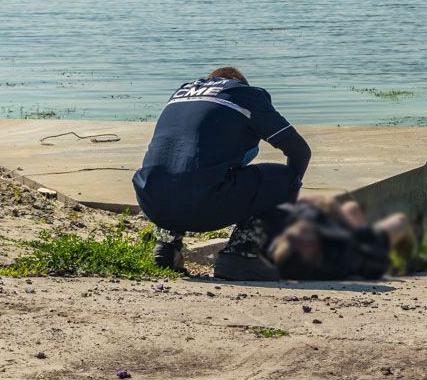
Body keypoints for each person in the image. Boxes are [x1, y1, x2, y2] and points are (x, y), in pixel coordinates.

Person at [132, 66, 311, 280]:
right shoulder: (247, 95)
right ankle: (243, 256)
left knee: (178, 170)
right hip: (203, 204)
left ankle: (167, 248)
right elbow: (300, 151)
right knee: (283, 178)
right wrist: (285, 202)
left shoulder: (180, 94)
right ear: (239, 82)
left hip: (152, 202)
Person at [267, 196, 415, 280]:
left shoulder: (285, 246)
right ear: (312, 251)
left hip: (345, 243)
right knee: (401, 221)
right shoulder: (336, 261)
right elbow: (350, 237)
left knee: (352, 207)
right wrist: (333, 209)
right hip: (365, 254)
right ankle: (411, 259)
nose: (303, 229)